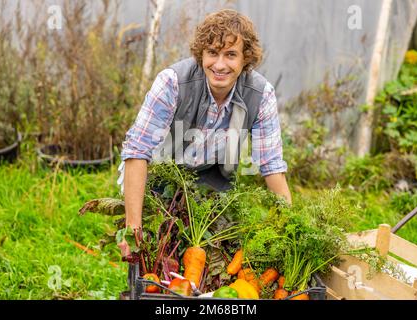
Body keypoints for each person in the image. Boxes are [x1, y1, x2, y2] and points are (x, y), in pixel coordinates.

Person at [117, 9, 291, 255]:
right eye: (212, 53)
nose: (219, 65)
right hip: (159, 177)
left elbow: (271, 165)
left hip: (214, 182)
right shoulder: (173, 82)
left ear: (245, 59)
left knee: (217, 254)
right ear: (201, 54)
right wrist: (133, 228)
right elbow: (137, 151)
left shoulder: (260, 94)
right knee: (156, 250)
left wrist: (291, 226)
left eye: (230, 55)